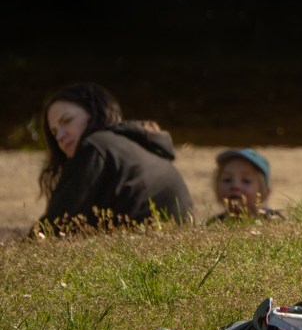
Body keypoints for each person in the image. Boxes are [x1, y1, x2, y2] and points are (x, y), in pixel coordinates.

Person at [34, 82, 193, 234]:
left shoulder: (96, 145)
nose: (60, 136)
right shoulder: (133, 146)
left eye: (67, 121)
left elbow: (55, 223)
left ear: (94, 112)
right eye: (54, 132)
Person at [208, 147, 284, 222]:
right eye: (227, 180)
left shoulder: (271, 220)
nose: (235, 186)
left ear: (264, 192)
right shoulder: (215, 223)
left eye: (246, 181)